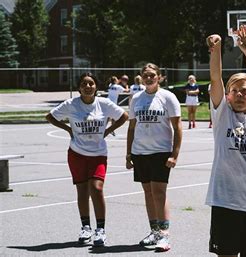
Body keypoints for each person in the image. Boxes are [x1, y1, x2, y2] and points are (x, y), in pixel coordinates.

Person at [206, 25, 246, 256]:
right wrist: (216, 50)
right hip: (225, 201)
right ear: (228, 96)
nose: (240, 95)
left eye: (245, 91)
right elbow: (215, 78)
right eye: (235, 91)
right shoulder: (223, 116)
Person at [45, 72, 128, 247]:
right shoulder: (71, 104)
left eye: (91, 83)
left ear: (96, 86)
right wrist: (68, 129)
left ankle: (101, 230)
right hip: (77, 154)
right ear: (79, 88)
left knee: (96, 189)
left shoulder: (104, 104)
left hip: (98, 154)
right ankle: (85, 228)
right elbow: (50, 116)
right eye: (84, 84)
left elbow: (124, 116)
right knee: (82, 191)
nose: (88, 86)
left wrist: (107, 130)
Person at [126, 63, 182, 252]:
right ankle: (155, 232)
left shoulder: (167, 97)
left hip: (160, 153)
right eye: (145, 75)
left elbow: (177, 127)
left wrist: (174, 154)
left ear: (159, 77)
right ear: (141, 77)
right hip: (140, 152)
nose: (148, 78)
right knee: (148, 192)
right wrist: (128, 154)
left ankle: (164, 235)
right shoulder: (136, 99)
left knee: (159, 192)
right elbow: (132, 127)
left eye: (152, 75)